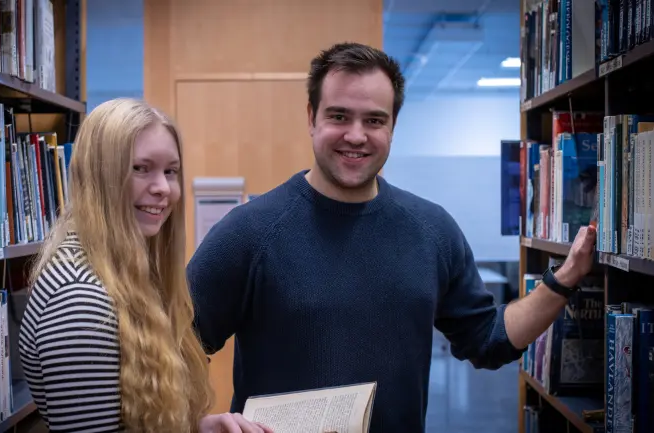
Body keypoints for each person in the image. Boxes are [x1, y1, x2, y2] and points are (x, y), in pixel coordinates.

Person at [186, 42, 597, 432]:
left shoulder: (432, 231)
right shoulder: (249, 233)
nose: (356, 135)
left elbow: (489, 340)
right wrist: (196, 422)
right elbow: (172, 346)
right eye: (339, 116)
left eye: (374, 120)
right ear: (311, 117)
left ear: (393, 126)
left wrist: (563, 280)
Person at [18, 98, 272, 433]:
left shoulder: (121, 272)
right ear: (100, 177)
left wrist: (199, 429)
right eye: (140, 168)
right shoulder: (80, 299)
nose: (163, 188)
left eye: (170, 171)